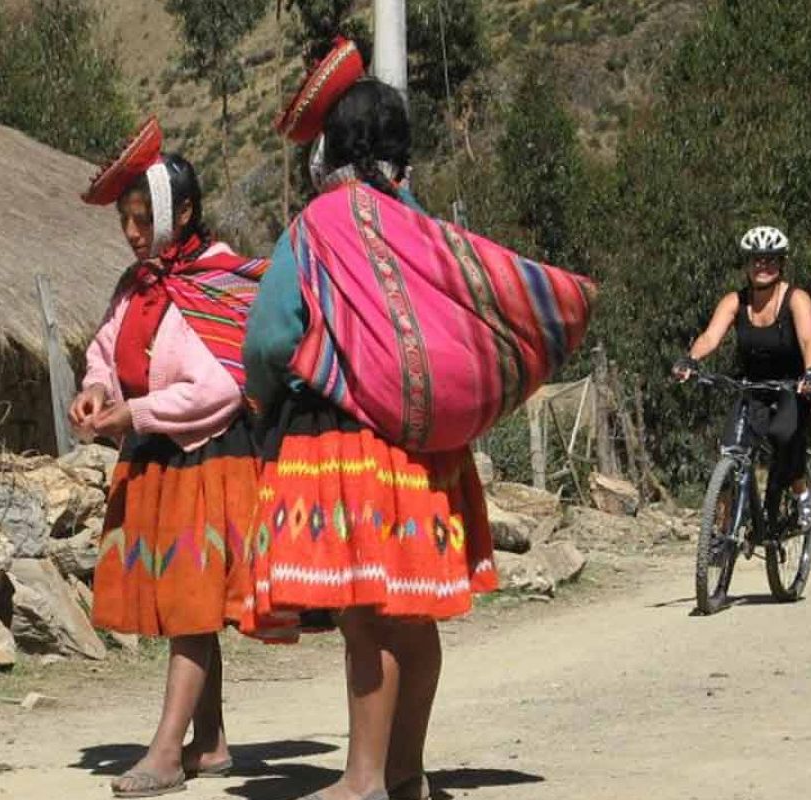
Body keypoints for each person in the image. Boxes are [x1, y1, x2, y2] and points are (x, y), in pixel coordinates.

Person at [240, 40, 594, 800]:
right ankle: (405, 772)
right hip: (427, 456)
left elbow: (269, 335)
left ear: (330, 150)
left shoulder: (315, 229)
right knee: (411, 619)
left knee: (364, 617)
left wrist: (264, 397)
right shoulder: (419, 225)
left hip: (345, 447)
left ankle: (362, 779)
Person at [71, 116, 269, 798]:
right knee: (188, 601)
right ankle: (209, 742)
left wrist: (139, 412)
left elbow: (220, 386)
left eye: (139, 218)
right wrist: (97, 389)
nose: (129, 232)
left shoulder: (220, 282)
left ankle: (165, 751)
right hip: (153, 455)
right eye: (123, 219)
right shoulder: (137, 282)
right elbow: (105, 347)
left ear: (182, 213)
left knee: (191, 599)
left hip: (206, 457)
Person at [672, 225, 811, 528]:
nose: (763, 266)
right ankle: (721, 532)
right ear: (747, 264)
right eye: (757, 260)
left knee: (784, 434)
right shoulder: (735, 302)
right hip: (752, 387)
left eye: (770, 260)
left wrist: (810, 373)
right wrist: (690, 359)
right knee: (731, 450)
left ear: (780, 264)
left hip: (793, 387)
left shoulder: (796, 299)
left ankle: (801, 494)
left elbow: (809, 340)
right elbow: (710, 337)